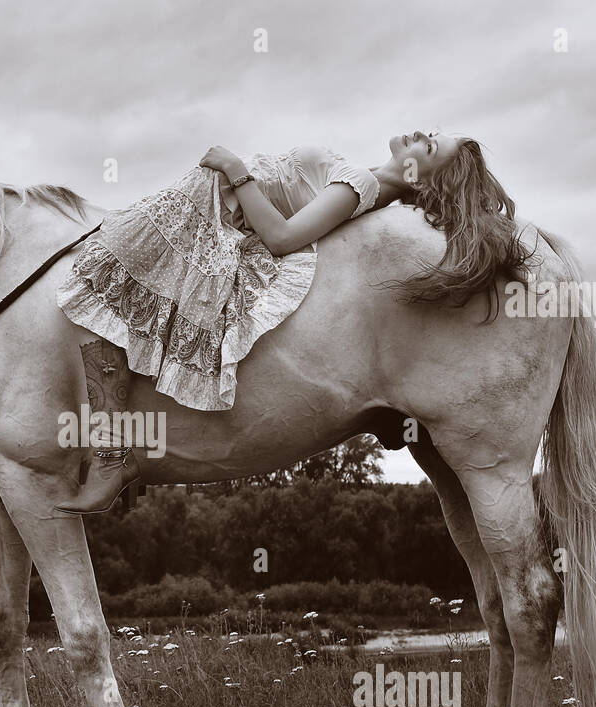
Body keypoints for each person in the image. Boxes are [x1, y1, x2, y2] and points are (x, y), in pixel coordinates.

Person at [53, 132, 527, 515]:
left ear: (421, 181)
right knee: (118, 294)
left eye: (429, 147)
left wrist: (236, 171)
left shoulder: (360, 185)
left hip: (210, 212)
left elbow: (281, 238)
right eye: (433, 132)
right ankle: (118, 448)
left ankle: (112, 455)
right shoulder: (366, 182)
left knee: (103, 280)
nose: (422, 133)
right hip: (206, 210)